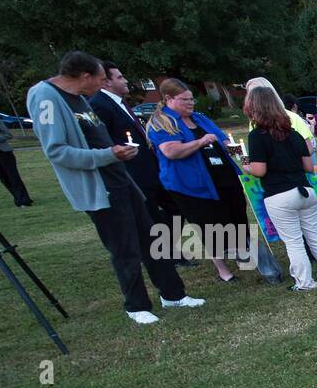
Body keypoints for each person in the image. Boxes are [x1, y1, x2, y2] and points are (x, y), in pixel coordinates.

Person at [28, 51, 199, 324]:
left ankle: (173, 294)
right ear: (84, 77)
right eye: (100, 79)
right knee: (124, 247)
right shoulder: (46, 98)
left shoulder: (81, 98)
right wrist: (108, 155)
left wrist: (116, 155)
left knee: (150, 238)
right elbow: (57, 151)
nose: (102, 84)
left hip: (121, 179)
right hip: (99, 187)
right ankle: (137, 306)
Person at [148, 78, 254, 283]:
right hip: (191, 185)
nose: (190, 103)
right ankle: (223, 270)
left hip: (224, 177)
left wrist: (245, 160)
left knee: (236, 214)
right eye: (185, 100)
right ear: (168, 99)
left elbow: (225, 141)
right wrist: (200, 142)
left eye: (191, 99)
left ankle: (241, 252)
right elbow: (170, 151)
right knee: (208, 225)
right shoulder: (163, 123)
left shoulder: (200, 119)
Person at [244, 87, 317, 290]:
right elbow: (308, 167)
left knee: (294, 241)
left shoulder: (257, 136)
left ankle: (305, 282)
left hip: (279, 194)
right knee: (315, 234)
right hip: (305, 190)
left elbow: (259, 170)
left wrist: (246, 167)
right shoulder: (294, 134)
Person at [89, 62, 173, 229]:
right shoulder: (100, 105)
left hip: (151, 168)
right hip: (136, 172)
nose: (126, 80)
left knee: (174, 207)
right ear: (107, 82)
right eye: (120, 77)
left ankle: (167, 248)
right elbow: (102, 140)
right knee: (152, 216)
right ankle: (163, 251)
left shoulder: (118, 102)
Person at [0, 119, 33, 206]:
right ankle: (18, 198)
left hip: (4, 153)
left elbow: (8, 134)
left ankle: (24, 200)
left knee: (13, 177)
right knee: (3, 179)